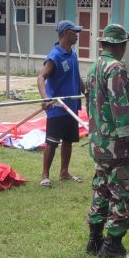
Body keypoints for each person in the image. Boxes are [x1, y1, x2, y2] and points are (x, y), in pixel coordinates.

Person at [85, 23, 129, 258]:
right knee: (126, 192)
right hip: (117, 147)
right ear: (121, 45)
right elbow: (119, 107)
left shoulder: (94, 67)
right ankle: (112, 245)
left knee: (102, 189)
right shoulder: (116, 69)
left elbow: (89, 104)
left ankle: (94, 239)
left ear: (104, 44)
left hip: (99, 143)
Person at [37, 20, 85, 188]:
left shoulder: (73, 54)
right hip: (57, 107)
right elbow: (41, 76)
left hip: (71, 105)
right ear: (65, 33)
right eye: (74, 32)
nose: (77, 35)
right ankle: (45, 175)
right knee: (52, 142)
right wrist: (45, 98)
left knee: (68, 140)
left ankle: (64, 172)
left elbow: (76, 75)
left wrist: (85, 90)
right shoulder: (55, 56)